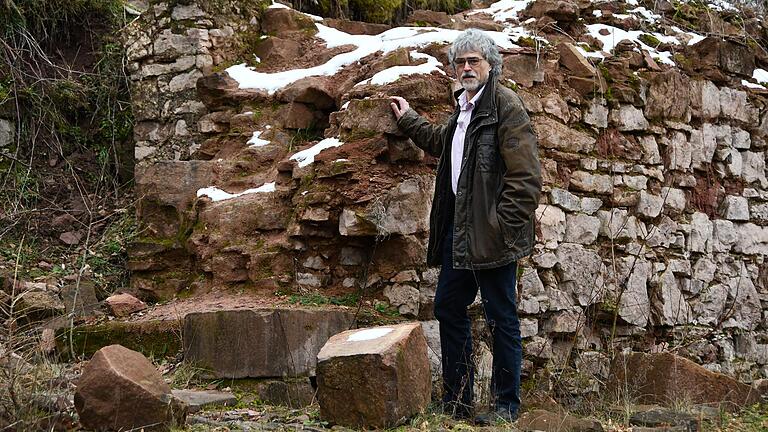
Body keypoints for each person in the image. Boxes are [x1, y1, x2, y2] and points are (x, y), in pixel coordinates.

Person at [390, 28, 541, 424]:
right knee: (448, 306)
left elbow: (526, 180)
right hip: (461, 236)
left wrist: (501, 229)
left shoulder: (505, 106)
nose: (467, 67)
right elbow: (444, 142)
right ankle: (458, 401)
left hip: (493, 237)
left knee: (501, 318)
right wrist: (408, 119)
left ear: (491, 64)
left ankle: (506, 406)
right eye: (460, 62)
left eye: (474, 60)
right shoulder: (465, 107)